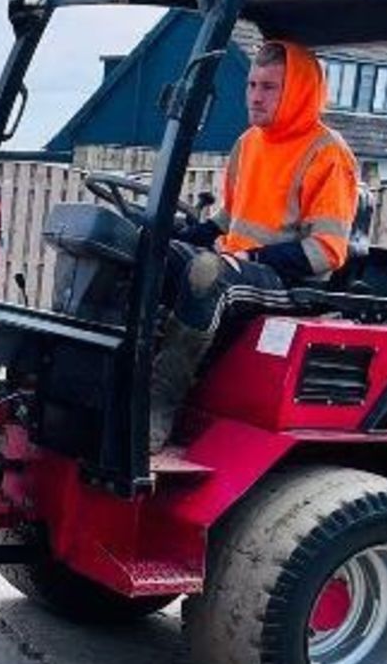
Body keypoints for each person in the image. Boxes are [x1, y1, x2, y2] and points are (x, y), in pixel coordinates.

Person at [148, 38, 361, 446]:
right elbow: (230, 218)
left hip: (294, 284)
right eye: (251, 85)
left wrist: (250, 254)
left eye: (269, 87)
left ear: (298, 91)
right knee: (144, 250)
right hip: (240, 264)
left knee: (208, 273)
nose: (255, 97)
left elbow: (327, 251)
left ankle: (158, 407)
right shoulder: (248, 144)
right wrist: (175, 237)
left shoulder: (327, 154)